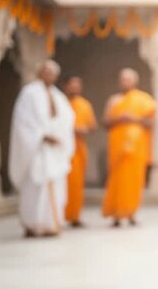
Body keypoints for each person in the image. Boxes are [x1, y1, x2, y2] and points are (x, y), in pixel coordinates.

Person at [9, 60, 75, 238]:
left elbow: (67, 121)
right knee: (35, 187)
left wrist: (58, 137)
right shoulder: (29, 93)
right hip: (36, 148)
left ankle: (51, 224)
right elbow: (23, 121)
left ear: (56, 76)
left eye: (52, 72)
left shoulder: (59, 97)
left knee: (56, 186)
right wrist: (42, 135)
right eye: (45, 71)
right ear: (40, 72)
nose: (48, 74)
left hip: (53, 151)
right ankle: (32, 224)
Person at [102, 68, 156, 227]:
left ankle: (131, 212)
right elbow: (105, 122)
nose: (125, 82)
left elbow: (150, 123)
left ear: (135, 81)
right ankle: (116, 215)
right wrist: (120, 118)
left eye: (128, 79)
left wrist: (133, 118)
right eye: (122, 79)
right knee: (117, 179)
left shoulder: (144, 99)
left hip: (137, 147)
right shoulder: (114, 100)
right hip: (117, 147)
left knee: (135, 179)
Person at [63, 76, 97, 227]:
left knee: (76, 183)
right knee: (62, 182)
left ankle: (74, 216)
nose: (75, 88)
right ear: (66, 86)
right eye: (72, 85)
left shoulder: (84, 104)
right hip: (62, 148)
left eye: (78, 85)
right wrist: (71, 129)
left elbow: (92, 126)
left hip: (79, 148)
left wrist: (84, 130)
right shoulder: (60, 103)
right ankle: (60, 215)